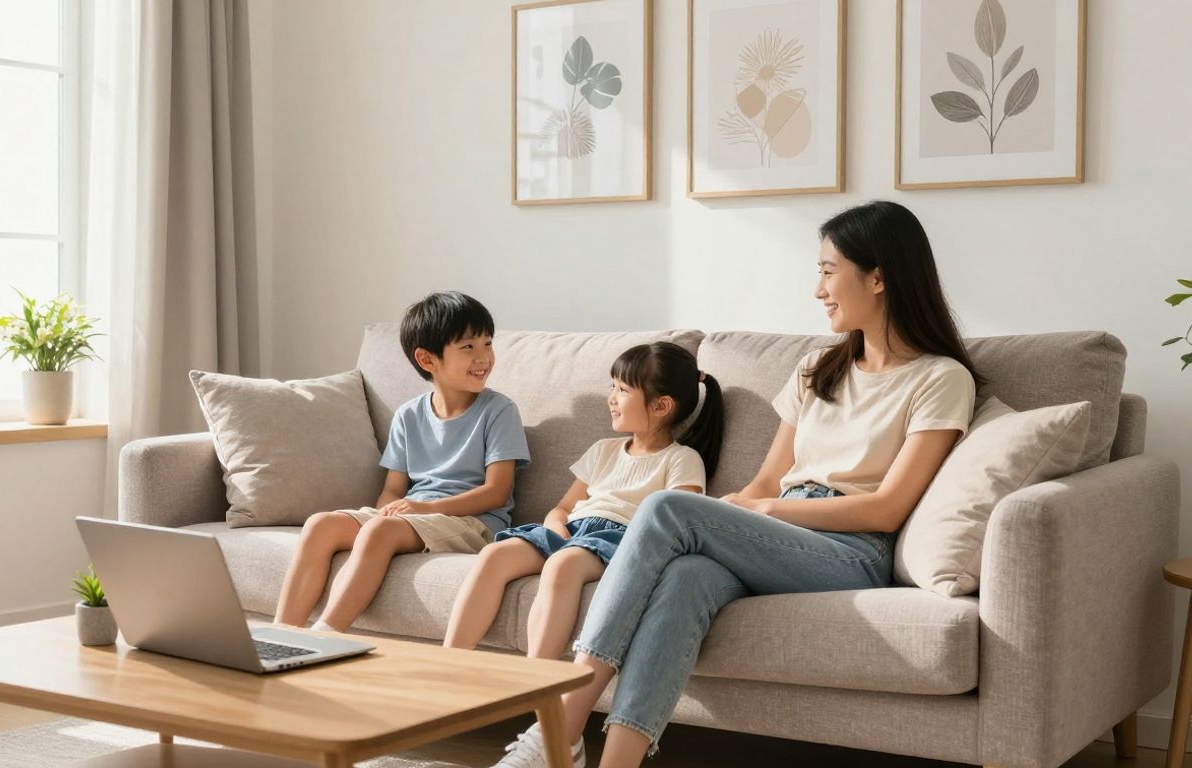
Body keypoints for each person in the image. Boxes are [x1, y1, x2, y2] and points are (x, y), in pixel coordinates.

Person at [492, 200, 984, 768]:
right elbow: (769, 479)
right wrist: (737, 508)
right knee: (686, 576)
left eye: (828, 272)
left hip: (851, 551)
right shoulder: (817, 368)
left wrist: (765, 512)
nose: (818, 290)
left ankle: (557, 734)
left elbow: (887, 509)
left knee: (667, 508)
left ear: (878, 278)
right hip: (780, 532)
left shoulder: (940, 378)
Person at [443, 341, 724, 672]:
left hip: (621, 539)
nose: (611, 398)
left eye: (622, 390)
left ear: (661, 405)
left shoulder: (682, 459)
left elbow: (679, 522)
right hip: (572, 530)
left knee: (562, 566)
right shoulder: (603, 450)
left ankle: (536, 680)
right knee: (493, 555)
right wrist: (555, 523)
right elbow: (562, 507)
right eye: (612, 387)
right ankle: (448, 665)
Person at [273, 291, 530, 632]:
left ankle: (328, 634)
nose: (483, 357)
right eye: (468, 347)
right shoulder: (408, 415)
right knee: (321, 525)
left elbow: (496, 492)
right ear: (427, 359)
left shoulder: (499, 411)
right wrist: (389, 512)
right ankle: (283, 635)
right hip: (415, 516)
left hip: (474, 523)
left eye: (487, 344)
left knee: (380, 530)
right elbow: (393, 490)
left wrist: (423, 510)